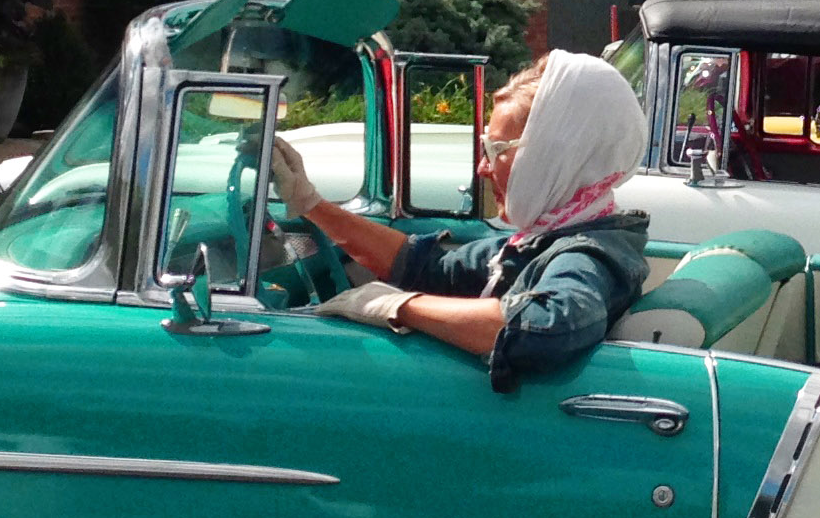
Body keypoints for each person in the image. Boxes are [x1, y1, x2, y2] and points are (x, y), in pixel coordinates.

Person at [268, 50, 650, 388]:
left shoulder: (588, 255)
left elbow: (548, 326)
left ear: (558, 155)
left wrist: (400, 307)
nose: (483, 167)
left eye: (495, 150)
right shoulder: (553, 235)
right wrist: (310, 203)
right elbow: (424, 264)